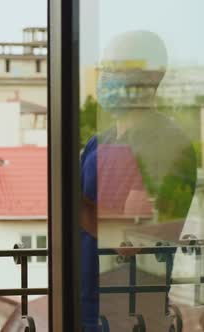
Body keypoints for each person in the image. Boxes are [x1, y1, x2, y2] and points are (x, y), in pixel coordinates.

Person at [80, 30, 197, 331]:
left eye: (117, 68)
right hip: (81, 304)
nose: (105, 76)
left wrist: (70, 203)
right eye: (105, 67)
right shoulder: (98, 143)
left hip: (130, 311)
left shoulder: (169, 146)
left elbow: (134, 242)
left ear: (151, 77)